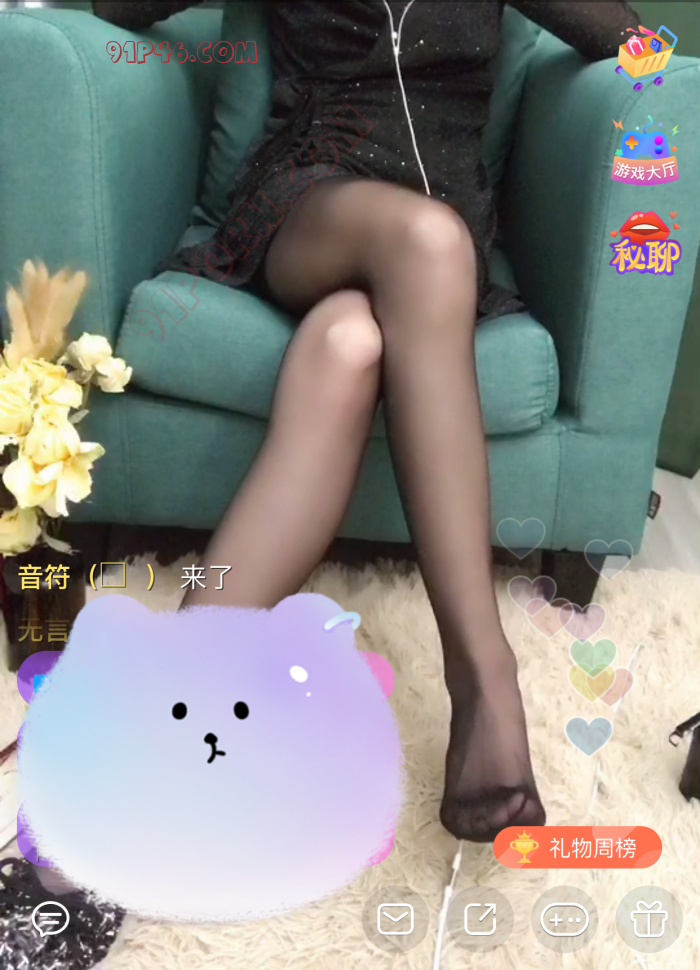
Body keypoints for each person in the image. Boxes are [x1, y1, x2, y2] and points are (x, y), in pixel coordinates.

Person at [96, 0, 640, 843]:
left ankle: (176, 703)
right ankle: (484, 676)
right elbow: (117, 9)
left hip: (440, 220)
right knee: (428, 243)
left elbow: (633, 38)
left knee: (348, 346)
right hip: (312, 199)